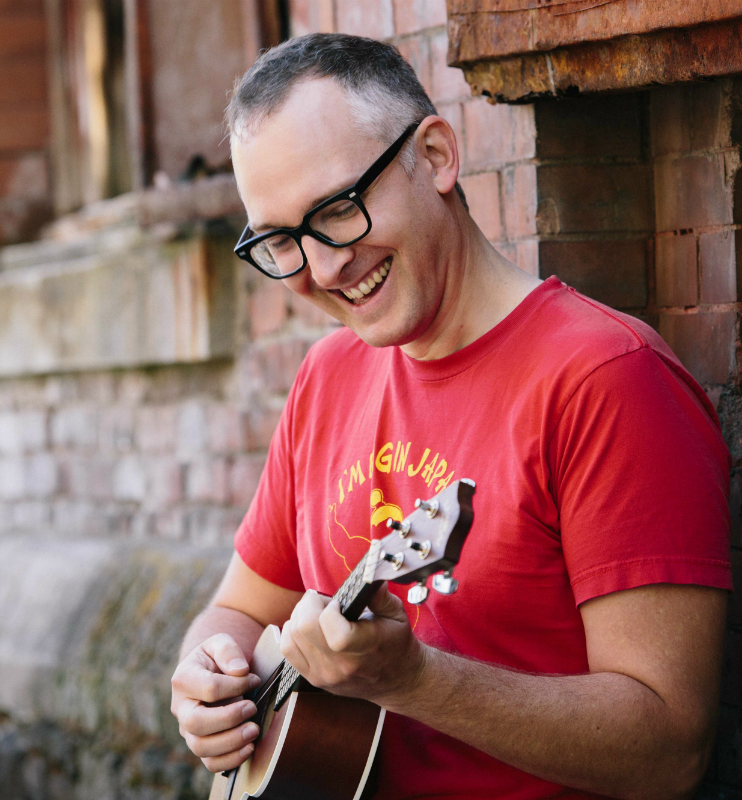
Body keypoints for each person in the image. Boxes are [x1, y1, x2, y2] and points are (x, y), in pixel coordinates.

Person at [170, 33, 732, 800]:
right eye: (281, 240)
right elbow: (239, 607)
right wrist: (207, 678)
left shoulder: (606, 380)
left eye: (337, 210)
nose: (323, 267)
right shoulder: (326, 377)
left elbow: (669, 747)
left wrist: (415, 681)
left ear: (434, 157)